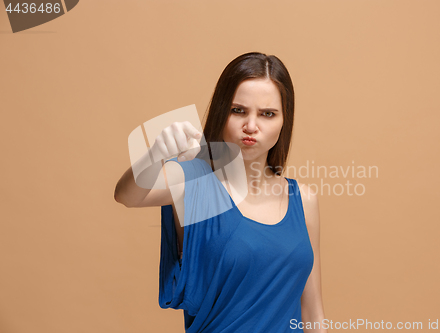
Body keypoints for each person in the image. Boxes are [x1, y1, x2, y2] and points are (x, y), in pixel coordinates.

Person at [114, 52, 327, 332]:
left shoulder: (303, 200)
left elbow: (313, 313)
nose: (251, 126)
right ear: (221, 110)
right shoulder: (196, 182)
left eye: (268, 114)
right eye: (238, 110)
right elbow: (127, 195)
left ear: (284, 121)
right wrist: (156, 154)